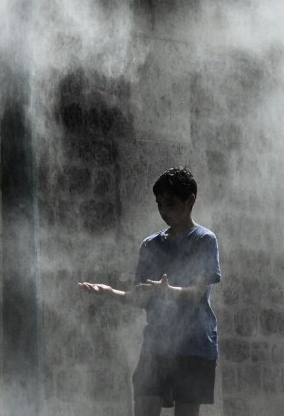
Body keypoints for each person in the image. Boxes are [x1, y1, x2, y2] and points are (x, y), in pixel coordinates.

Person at [79, 167, 221, 416]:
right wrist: (109, 292)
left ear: (190, 200)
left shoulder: (204, 240)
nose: (164, 212)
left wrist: (168, 291)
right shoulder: (151, 244)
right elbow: (141, 297)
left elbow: (197, 292)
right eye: (159, 205)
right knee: (144, 402)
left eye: (170, 204)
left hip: (194, 344)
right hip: (156, 342)